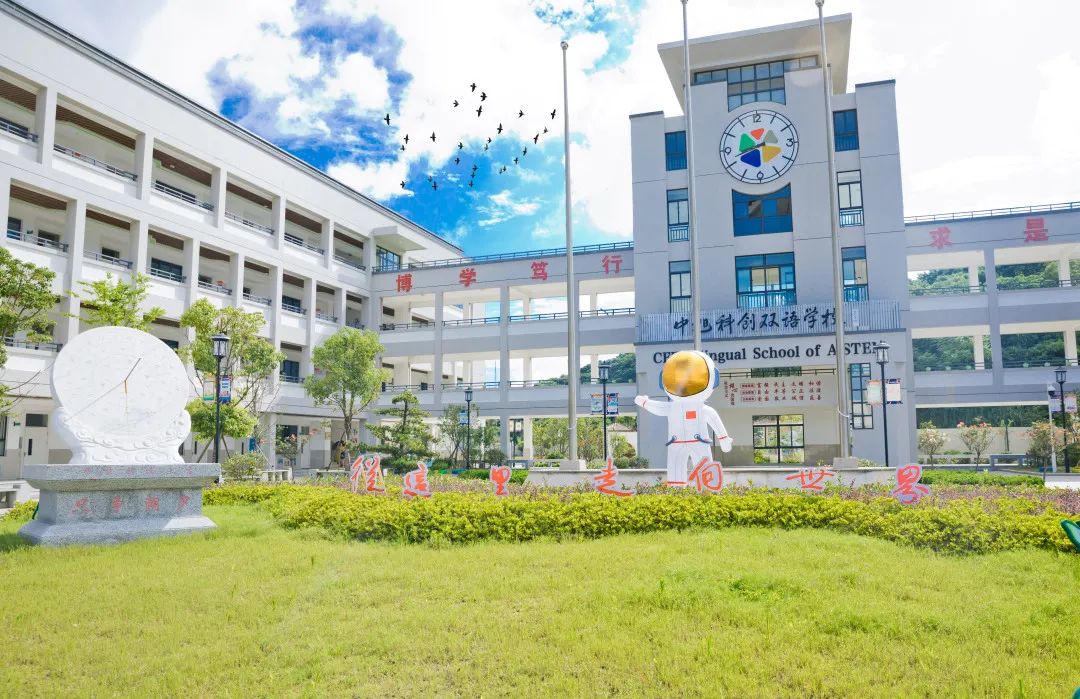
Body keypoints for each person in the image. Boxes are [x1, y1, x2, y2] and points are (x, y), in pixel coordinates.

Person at [635, 350, 732, 487]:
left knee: (703, 471)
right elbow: (659, 408)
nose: (685, 383)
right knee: (676, 472)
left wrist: (724, 439)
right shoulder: (675, 407)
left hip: (694, 441)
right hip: (678, 442)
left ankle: (706, 490)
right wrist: (645, 402)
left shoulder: (700, 409)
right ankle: (680, 490)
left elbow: (714, 420)